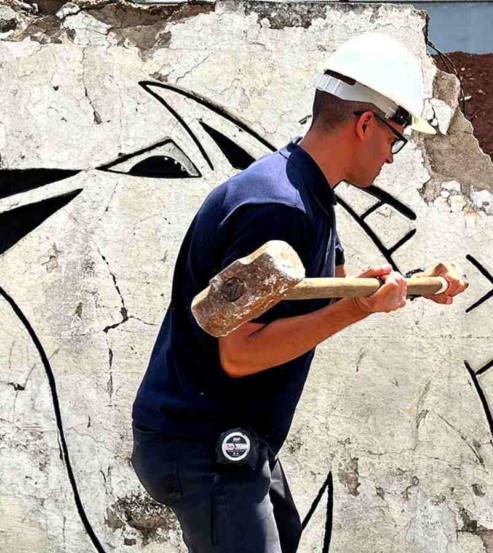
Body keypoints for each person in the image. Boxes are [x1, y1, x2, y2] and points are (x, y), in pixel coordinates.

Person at [130, 33, 467, 553]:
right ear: (363, 123)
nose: (392, 157)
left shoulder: (306, 193)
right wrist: (358, 307)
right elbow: (240, 354)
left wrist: (417, 285)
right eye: (395, 138)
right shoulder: (278, 206)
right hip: (204, 442)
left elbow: (330, 296)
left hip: (232, 439)